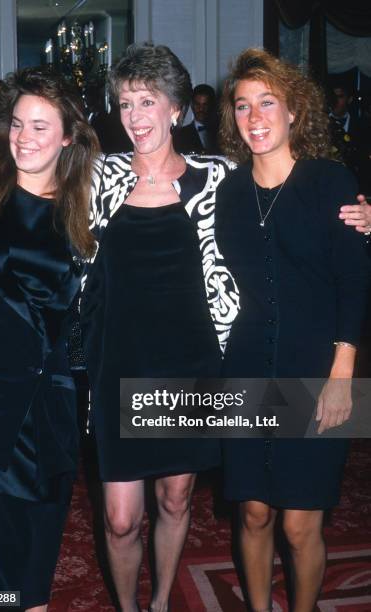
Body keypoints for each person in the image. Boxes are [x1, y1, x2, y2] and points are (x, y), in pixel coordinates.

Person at [80, 43, 239, 612]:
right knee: (121, 520)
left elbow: (282, 212)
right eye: (125, 104)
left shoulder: (217, 177)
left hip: (190, 360)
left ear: (175, 108)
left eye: (147, 101)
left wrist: (355, 212)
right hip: (119, 360)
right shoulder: (98, 176)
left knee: (175, 499)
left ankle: (162, 601)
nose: (135, 117)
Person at [216, 48, 371, 612]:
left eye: (267, 103)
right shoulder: (228, 192)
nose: (255, 117)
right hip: (249, 362)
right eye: (242, 107)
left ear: (293, 113)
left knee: (302, 524)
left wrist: (343, 372)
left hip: (318, 363)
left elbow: (353, 280)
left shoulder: (332, 182)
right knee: (254, 512)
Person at [0, 67, 99, 611]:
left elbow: (188, 181)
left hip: (47, 413)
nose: (24, 137)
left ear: (67, 136)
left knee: (33, 584)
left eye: (40, 126)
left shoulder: (88, 203)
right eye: (17, 124)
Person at [174, 83, 221, 154]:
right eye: (197, 104)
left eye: (205, 104)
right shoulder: (180, 135)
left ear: (212, 105)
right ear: (192, 105)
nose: (201, 109)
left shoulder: (222, 133)